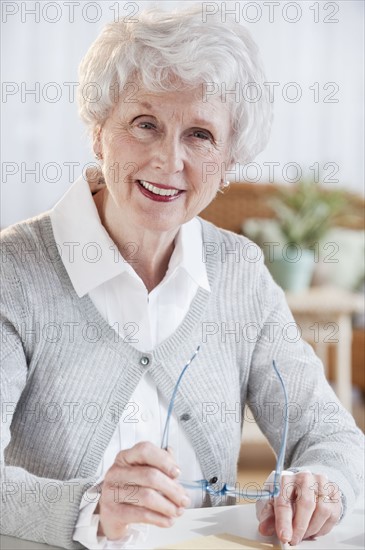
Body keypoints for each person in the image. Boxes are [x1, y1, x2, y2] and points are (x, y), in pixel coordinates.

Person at [1, 4, 363, 550]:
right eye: (145, 124)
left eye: (200, 135)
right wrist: (91, 509)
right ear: (98, 131)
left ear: (228, 163)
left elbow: (333, 436)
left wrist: (321, 486)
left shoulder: (241, 273)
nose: (169, 161)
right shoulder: (14, 272)